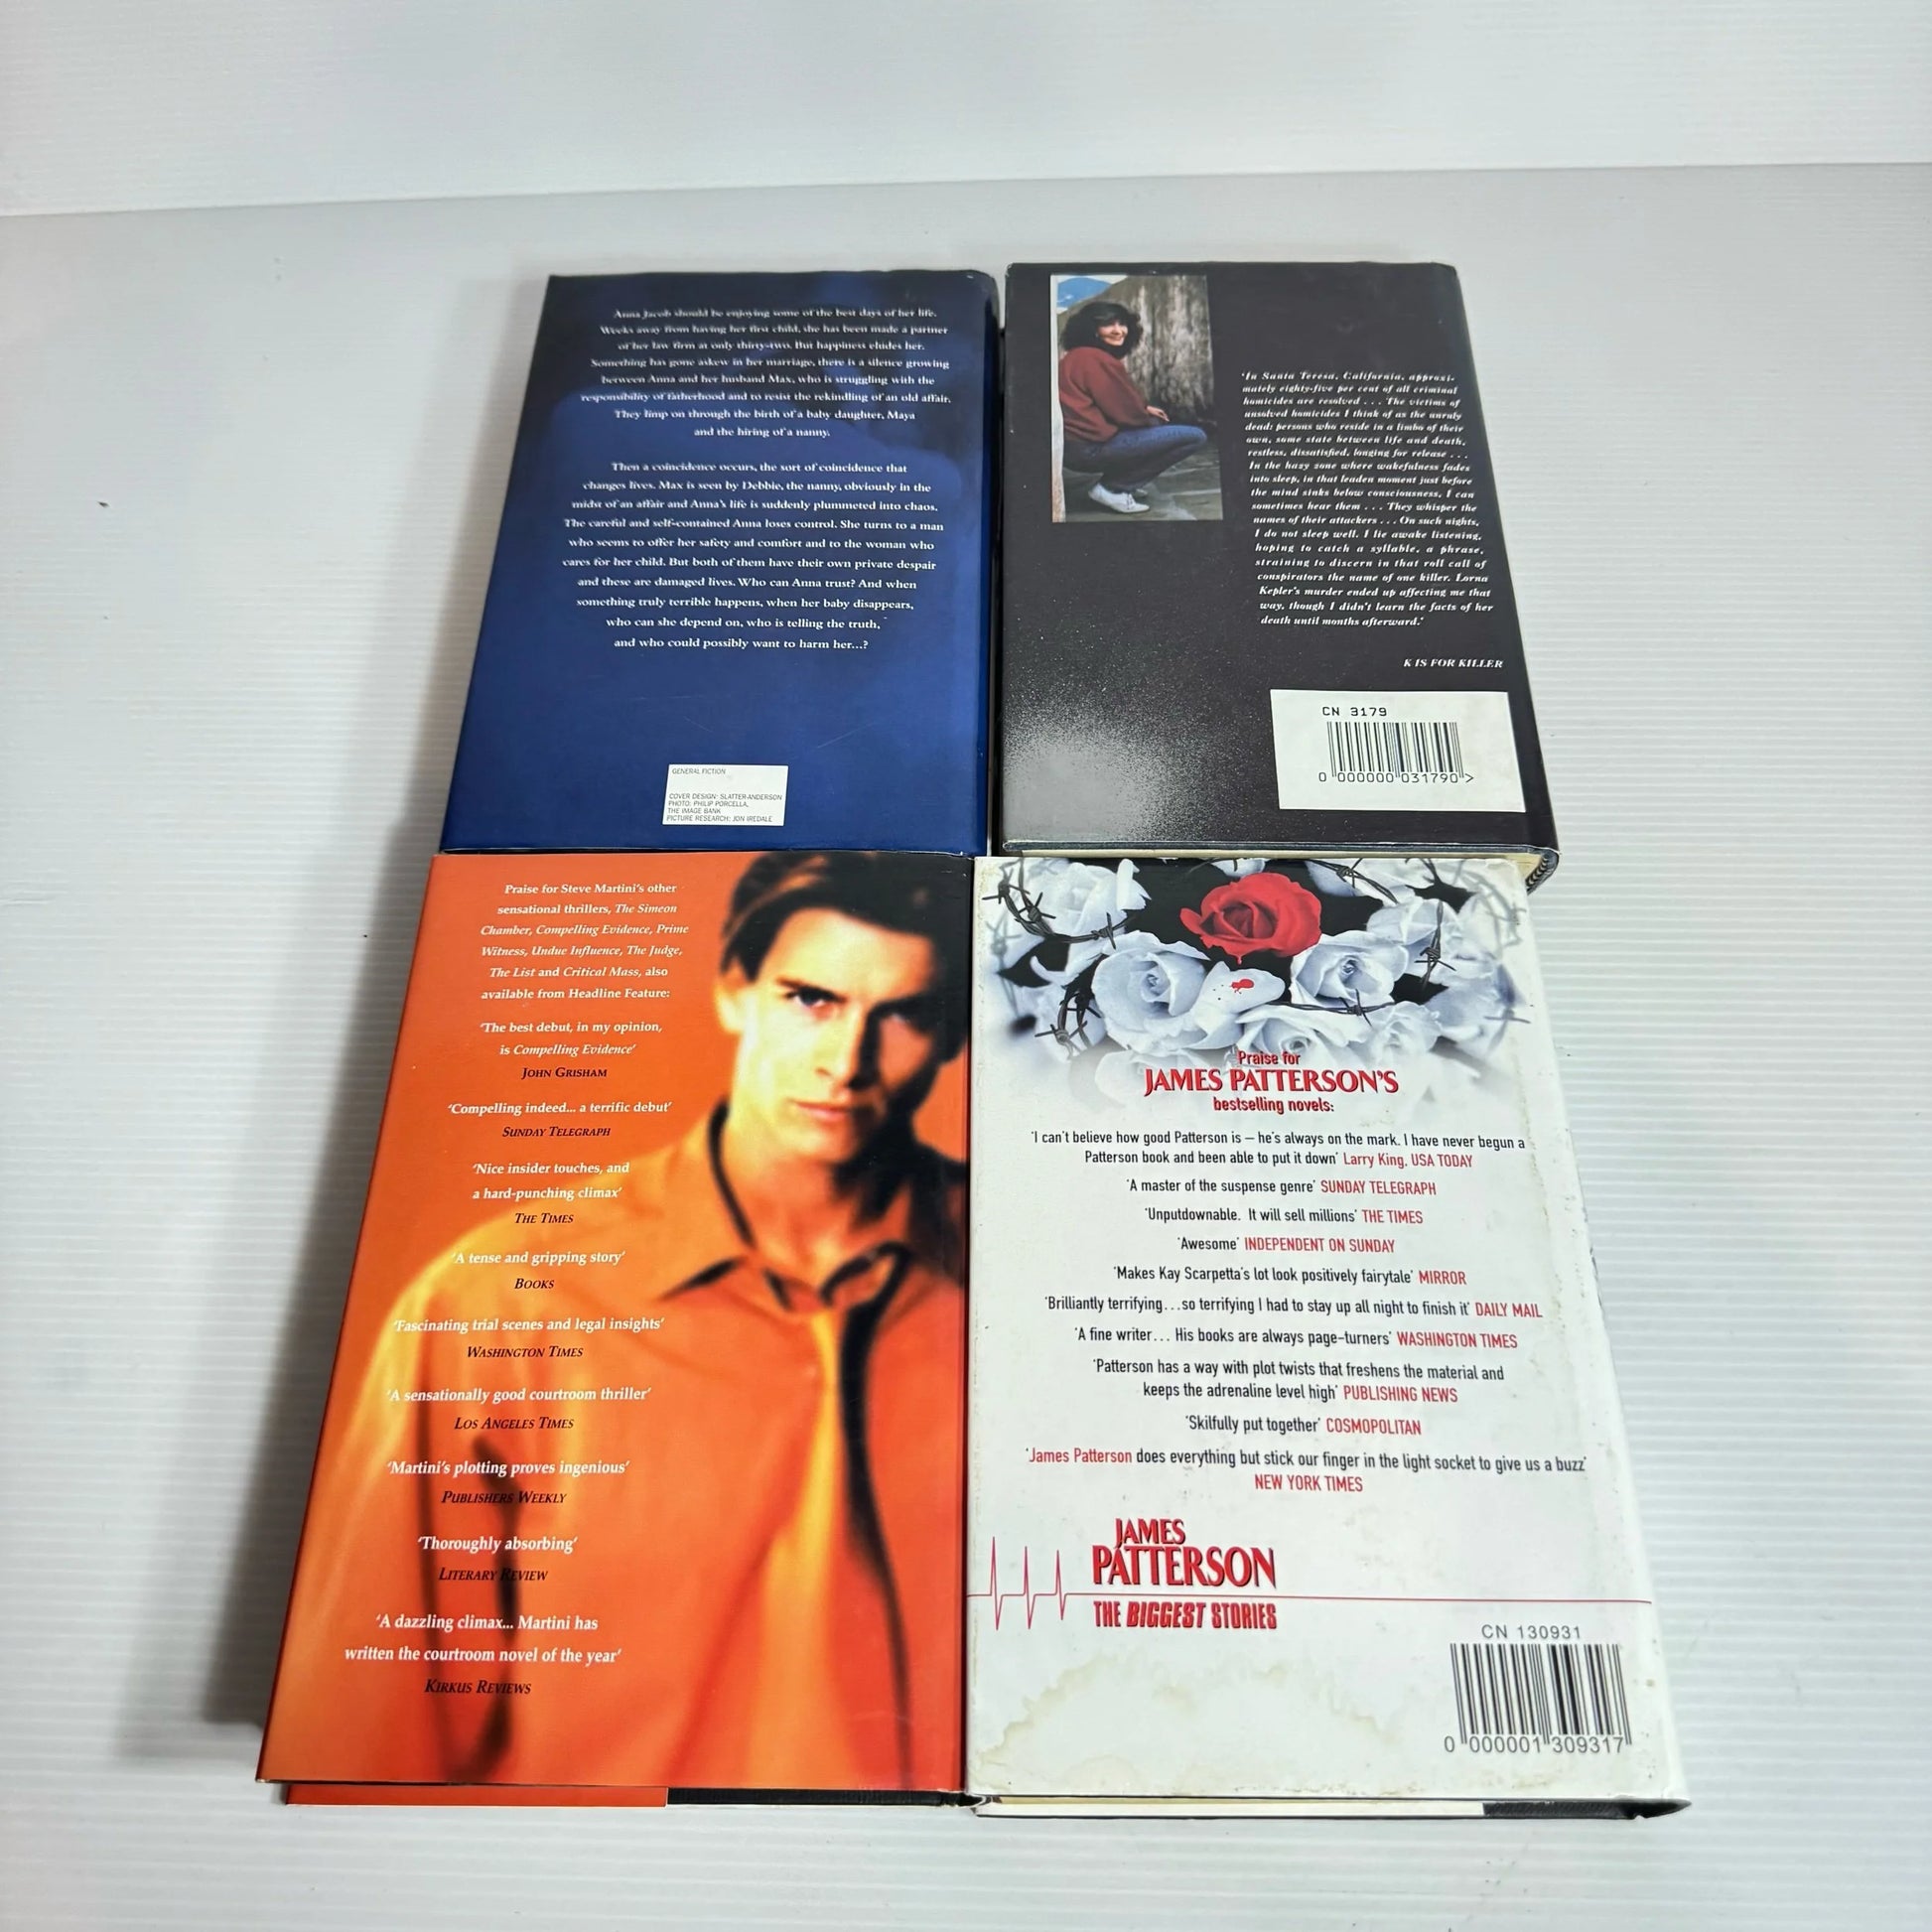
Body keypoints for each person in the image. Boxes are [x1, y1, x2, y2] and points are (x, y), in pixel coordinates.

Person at [262, 853, 970, 1794]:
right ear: (733, 992)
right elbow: (374, 1736)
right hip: (594, 1856)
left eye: (905, 1015)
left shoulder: (1030, 1273)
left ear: (953, 1034)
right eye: (811, 1000)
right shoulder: (500, 1300)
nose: (845, 1063)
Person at [1058, 299, 1208, 514]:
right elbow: (1127, 413)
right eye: (1108, 324)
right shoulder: (1096, 359)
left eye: (1122, 323)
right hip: (1090, 449)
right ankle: (1114, 488)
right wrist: (1144, 416)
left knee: (1154, 425)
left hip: (1072, 449)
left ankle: (1123, 482)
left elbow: (1104, 399)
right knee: (1194, 436)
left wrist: (1144, 410)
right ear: (1092, 329)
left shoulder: (1076, 356)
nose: (1119, 330)